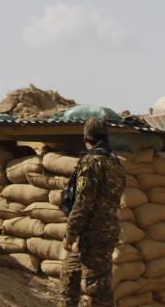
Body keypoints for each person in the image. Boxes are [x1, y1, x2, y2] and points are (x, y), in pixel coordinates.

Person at [60, 118, 125, 307]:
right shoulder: (115, 163)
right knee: (70, 273)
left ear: (86, 137)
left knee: (97, 287)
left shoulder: (92, 162)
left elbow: (83, 203)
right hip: (105, 230)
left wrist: (70, 234)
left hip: (93, 233)